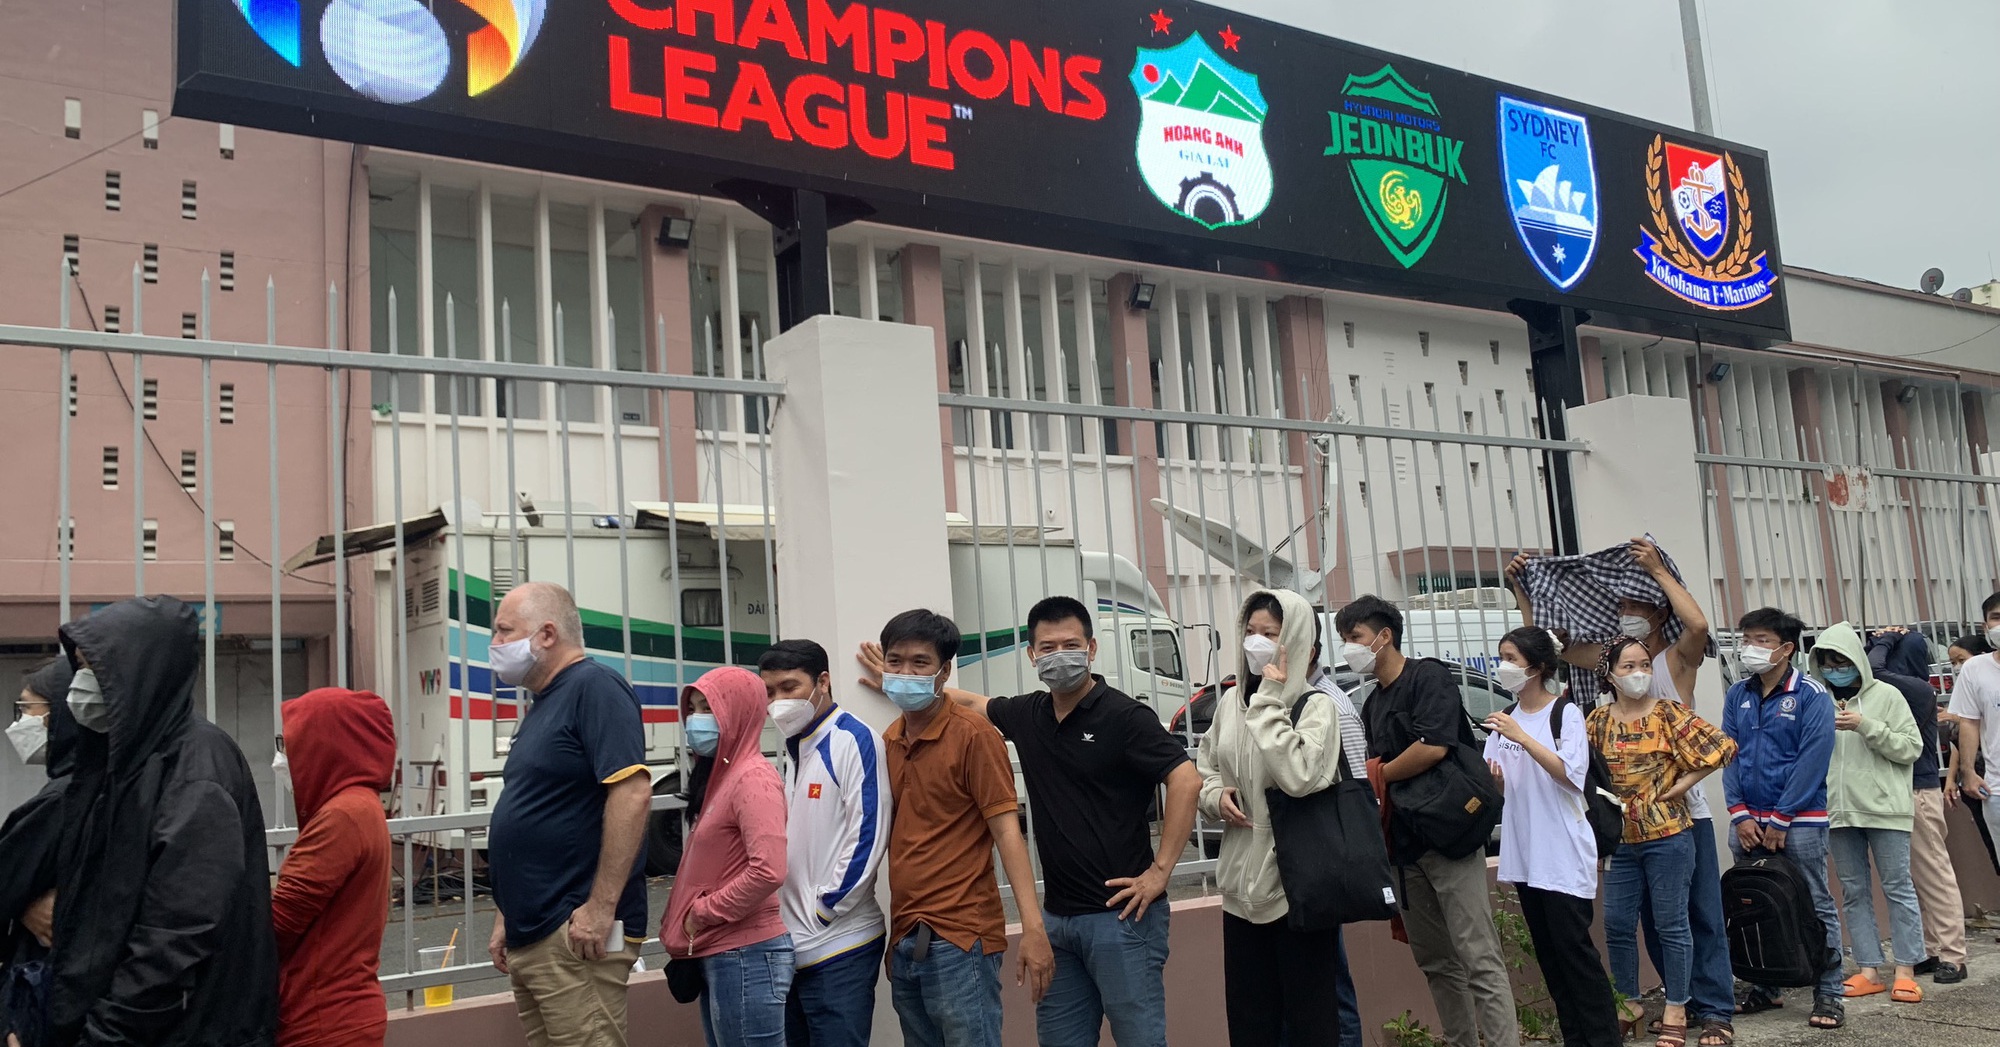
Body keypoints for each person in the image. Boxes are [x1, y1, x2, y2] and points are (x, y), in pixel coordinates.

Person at [865, 596, 1196, 1047]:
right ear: (1031, 654)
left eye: (1070, 644)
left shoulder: (1124, 716)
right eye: (1047, 646)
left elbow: (1186, 781)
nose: (1058, 655)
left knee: (1139, 1039)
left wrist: (1160, 873)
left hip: (1120, 918)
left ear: (1092, 649)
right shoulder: (1031, 713)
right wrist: (902, 676)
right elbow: (968, 700)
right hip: (1058, 921)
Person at [1509, 537, 1735, 1047]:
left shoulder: (1674, 662)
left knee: (1695, 916)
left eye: (1636, 607)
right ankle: (1645, 1004)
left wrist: (1657, 569)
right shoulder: (1602, 685)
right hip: (1624, 828)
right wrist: (1522, 587)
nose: (1625, 615)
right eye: (1620, 608)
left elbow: (1696, 626)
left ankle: (1713, 1009)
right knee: (1634, 923)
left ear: (1656, 615)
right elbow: (1542, 646)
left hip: (1681, 819)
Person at [48, 596, 278, 1047]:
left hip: (179, 1032)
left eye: (96, 671)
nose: (81, 685)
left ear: (139, 672)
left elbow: (173, 940)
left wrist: (103, 1036)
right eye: (79, 668)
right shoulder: (125, 756)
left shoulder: (196, 770)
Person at [1338, 595, 1519, 1047]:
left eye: (1355, 638)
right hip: (1404, 848)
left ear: (1384, 636)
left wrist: (1375, 775)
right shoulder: (1371, 704)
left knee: (1479, 957)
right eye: (1344, 640)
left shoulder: (1428, 677)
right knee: (1437, 963)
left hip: (1449, 839)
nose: (1349, 648)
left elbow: (1434, 746)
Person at [864, 609, 1051, 1047]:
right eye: (895, 662)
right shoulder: (890, 740)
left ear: (944, 671)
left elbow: (1008, 832)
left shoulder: (974, 736)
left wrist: (1033, 929)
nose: (904, 672)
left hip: (961, 939)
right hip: (906, 936)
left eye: (919, 663)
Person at [485, 582, 651, 1047]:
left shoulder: (594, 687)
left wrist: (600, 909)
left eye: (504, 632)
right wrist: (506, 916)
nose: (494, 646)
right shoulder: (543, 704)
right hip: (534, 933)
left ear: (547, 634)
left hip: (575, 936)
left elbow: (632, 793)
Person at [1196, 589, 1346, 1047]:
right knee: (1249, 1020)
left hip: (1295, 888)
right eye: (1251, 631)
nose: (1256, 642)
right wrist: (1215, 795)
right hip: (1240, 891)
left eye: (1271, 634)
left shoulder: (1317, 706)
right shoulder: (1228, 705)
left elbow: (1300, 775)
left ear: (1295, 641)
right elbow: (1205, 768)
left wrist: (1268, 703)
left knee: (1310, 1021)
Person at [1587, 636, 1735, 1047]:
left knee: (1673, 924)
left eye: (1644, 665)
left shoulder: (1669, 713)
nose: (1638, 674)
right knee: (1617, 924)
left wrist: (1683, 783)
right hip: (1619, 840)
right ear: (1609, 674)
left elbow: (1722, 747)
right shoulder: (1597, 721)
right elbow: (1581, 772)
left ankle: (1677, 1004)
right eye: (1628, 666)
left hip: (1668, 835)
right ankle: (1628, 1001)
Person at [1482, 628, 1622, 1047]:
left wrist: (1522, 737)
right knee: (1551, 960)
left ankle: (1603, 1039)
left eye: (1511, 657)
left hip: (1561, 853)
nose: (1503, 665)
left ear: (1538, 666)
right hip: (1526, 855)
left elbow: (1571, 775)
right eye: (1501, 655)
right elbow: (1499, 782)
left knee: (1575, 956)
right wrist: (1494, 783)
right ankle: (1575, 1038)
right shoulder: (1506, 717)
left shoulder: (1565, 714)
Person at [758, 640, 890, 1047]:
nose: (778, 701)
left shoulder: (852, 739)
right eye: (769, 692)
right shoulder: (793, 749)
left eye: (789, 687)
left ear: (823, 682)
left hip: (839, 946)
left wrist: (825, 909)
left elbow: (869, 831)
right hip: (791, 949)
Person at [1720, 608, 1845, 1029]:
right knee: (1755, 904)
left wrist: (1781, 818)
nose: (1750, 649)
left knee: (1814, 902)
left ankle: (1829, 992)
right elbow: (1728, 755)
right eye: (1746, 639)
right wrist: (1738, 814)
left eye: (1761, 640)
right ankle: (1765, 984)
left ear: (1787, 648)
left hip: (1800, 822)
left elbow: (1812, 760)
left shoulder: (1811, 694)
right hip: (1748, 824)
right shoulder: (1738, 693)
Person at [662, 666, 792, 1047]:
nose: (696, 720)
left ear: (738, 712)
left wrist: (702, 913)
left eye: (709, 709)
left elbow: (768, 870)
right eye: (694, 708)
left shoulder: (753, 779)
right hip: (724, 951)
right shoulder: (723, 777)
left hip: (745, 954)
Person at [271, 688, 396, 1047]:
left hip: (323, 1019)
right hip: (341, 1013)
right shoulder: (362, 806)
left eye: (288, 741)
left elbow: (281, 922)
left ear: (325, 742)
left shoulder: (342, 816)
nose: (282, 756)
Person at [1811, 624, 1925, 1003]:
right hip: (1837, 811)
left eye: (1841, 661)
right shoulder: (1818, 700)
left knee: (1898, 887)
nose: (1834, 669)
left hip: (1885, 809)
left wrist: (1866, 726)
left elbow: (1911, 747)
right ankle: (1868, 969)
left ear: (1858, 661)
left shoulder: (1888, 696)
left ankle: (1906, 969)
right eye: (1826, 663)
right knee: (1854, 891)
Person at [1866, 627, 1967, 983]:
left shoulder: (1916, 689)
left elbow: (1872, 668)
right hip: (1896, 792)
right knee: (1912, 880)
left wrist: (1885, 640)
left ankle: (1953, 954)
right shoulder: (1892, 691)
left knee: (1933, 875)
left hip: (1917, 792)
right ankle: (1931, 949)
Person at [2, 659, 76, 1047]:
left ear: (59, 713)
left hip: (37, 997)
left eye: (27, 708)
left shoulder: (61, 800)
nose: (19, 723)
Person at [1306, 630, 1371, 1047]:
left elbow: (1355, 787)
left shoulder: (1331, 704)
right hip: (1297, 859)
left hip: (1321, 855)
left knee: (1331, 982)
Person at [1950, 596, 2000, 882]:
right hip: (1995, 787)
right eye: (1996, 617)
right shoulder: (1974, 669)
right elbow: (1968, 722)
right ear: (1985, 626)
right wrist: (1967, 772)